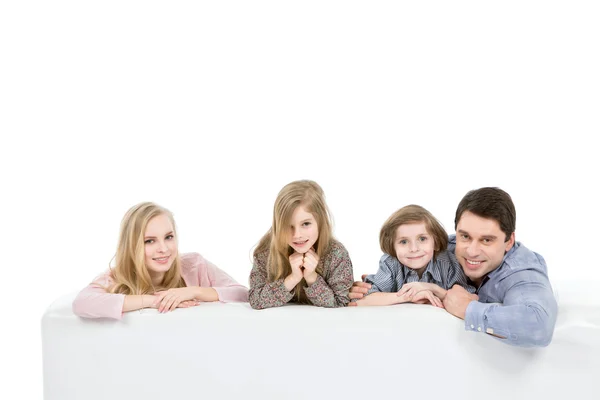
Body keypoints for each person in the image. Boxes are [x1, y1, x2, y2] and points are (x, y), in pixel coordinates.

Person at [350, 188, 558, 347]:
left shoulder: (521, 273)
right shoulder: (442, 249)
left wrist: (467, 309)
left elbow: (538, 325)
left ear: (509, 241)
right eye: (465, 236)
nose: (472, 251)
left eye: (486, 240)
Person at [72, 202, 248, 319]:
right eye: (150, 241)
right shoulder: (115, 278)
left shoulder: (194, 265)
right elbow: (82, 303)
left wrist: (193, 291)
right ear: (132, 246)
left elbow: (243, 294)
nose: (163, 248)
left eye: (169, 237)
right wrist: (153, 301)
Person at [249, 180, 354, 309]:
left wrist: (312, 277)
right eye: (288, 226)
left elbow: (341, 302)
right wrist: (292, 278)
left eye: (306, 224)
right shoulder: (267, 251)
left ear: (320, 222)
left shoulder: (336, 254)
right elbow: (255, 300)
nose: (297, 235)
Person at [350, 205, 475, 307]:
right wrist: (408, 296)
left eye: (422, 239)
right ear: (392, 246)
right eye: (403, 241)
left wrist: (434, 290)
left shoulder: (448, 263)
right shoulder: (391, 263)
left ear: (435, 242)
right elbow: (361, 300)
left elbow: (469, 300)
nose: (414, 249)